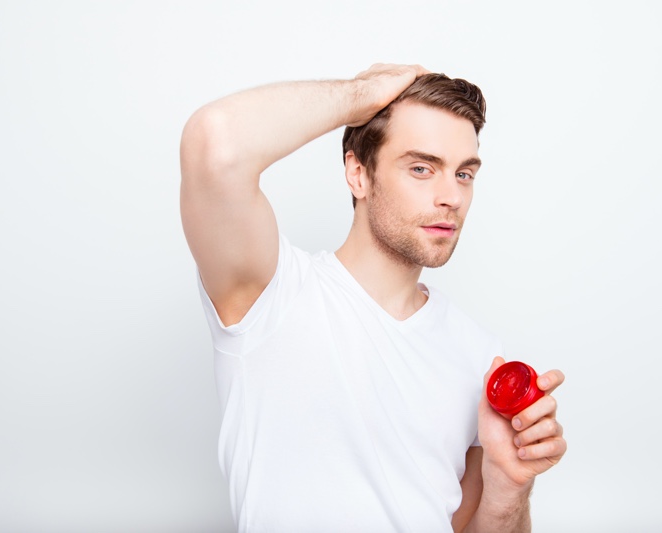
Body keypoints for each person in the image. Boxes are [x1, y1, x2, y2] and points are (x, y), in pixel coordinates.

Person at [180, 63, 567, 532]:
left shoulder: (477, 353)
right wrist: (360, 94)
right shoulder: (271, 296)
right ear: (358, 174)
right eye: (422, 168)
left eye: (464, 174)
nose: (451, 196)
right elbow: (214, 143)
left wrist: (509, 485)